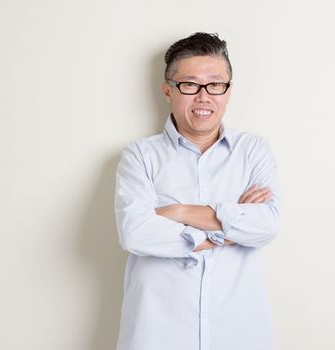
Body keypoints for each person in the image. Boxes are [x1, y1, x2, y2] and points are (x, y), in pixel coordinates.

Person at [114, 32, 282, 350]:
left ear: (228, 90)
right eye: (190, 85)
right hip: (157, 334)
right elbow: (135, 233)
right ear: (168, 90)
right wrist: (226, 231)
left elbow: (267, 224)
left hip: (238, 333)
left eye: (215, 85)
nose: (204, 97)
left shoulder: (253, 151)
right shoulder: (140, 156)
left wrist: (176, 213)